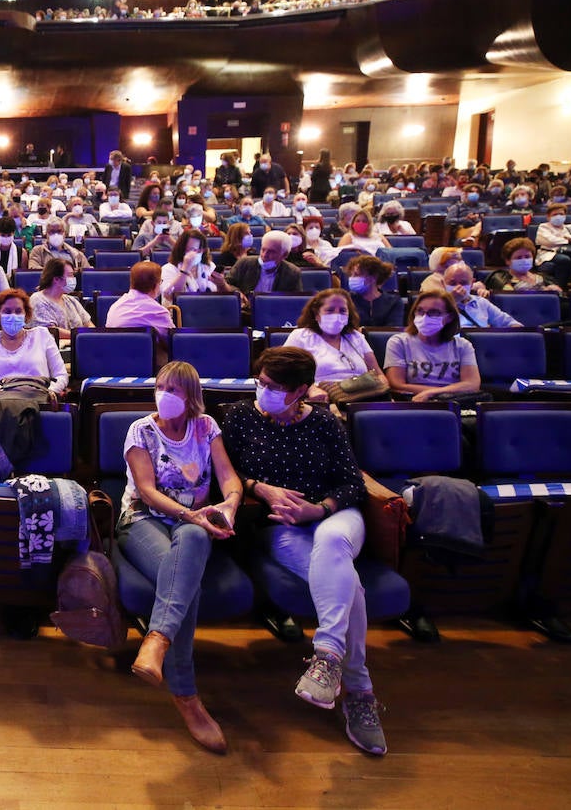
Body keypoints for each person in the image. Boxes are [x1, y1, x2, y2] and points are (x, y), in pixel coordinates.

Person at [220, 347, 385, 755]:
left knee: (332, 543)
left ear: (301, 392)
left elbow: (353, 485)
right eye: (261, 383)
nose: (264, 391)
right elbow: (226, 470)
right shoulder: (241, 417)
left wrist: (320, 508)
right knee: (351, 586)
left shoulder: (326, 424)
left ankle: (326, 656)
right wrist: (260, 487)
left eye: (275, 388)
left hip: (336, 518)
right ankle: (359, 690)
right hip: (282, 527)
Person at [118, 361, 243, 753]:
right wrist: (191, 514)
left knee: (189, 546)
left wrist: (231, 505)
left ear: (190, 396)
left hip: (195, 526)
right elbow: (147, 489)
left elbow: (228, 477)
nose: (164, 395)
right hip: (142, 519)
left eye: (173, 389)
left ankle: (156, 641)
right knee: (183, 583)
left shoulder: (206, 427)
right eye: (160, 387)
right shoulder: (141, 429)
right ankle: (187, 698)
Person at [285, 290, 386, 403]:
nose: (337, 316)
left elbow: (378, 373)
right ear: (316, 314)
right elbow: (286, 373)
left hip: (364, 398)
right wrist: (311, 390)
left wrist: (382, 387)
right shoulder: (300, 336)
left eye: (342, 311)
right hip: (323, 400)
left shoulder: (356, 337)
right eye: (330, 310)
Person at [384, 291, 481, 402]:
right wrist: (445, 392)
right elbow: (396, 384)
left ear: (449, 317)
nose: (425, 317)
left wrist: (432, 393)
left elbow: (472, 384)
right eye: (420, 311)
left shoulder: (463, 346)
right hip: (414, 402)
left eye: (434, 312)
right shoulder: (399, 342)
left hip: (453, 402)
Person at [0, 289, 68, 399]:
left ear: (26, 314)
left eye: (18, 311)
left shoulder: (42, 335)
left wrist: (50, 392)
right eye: (7, 311)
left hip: (39, 401)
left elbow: (61, 375)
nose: (13, 316)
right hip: (0, 404)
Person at [28, 259, 93, 341]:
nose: (73, 279)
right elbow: (50, 331)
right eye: (70, 275)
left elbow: (88, 323)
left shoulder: (71, 300)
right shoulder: (37, 300)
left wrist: (91, 336)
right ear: (56, 279)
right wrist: (81, 337)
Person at [442, 263, 520, 329]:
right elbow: (435, 332)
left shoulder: (482, 303)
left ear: (472, 283)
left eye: (463, 283)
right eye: (452, 283)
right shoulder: (437, 305)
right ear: (443, 284)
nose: (458, 287)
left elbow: (510, 323)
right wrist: (451, 302)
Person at [106, 261, 177, 333]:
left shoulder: (115, 307)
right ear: (155, 285)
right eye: (160, 282)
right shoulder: (159, 312)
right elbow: (173, 340)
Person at [226, 230, 301, 295]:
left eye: (271, 252)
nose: (264, 255)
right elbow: (227, 283)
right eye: (263, 249)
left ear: (284, 255)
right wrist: (236, 292)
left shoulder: (293, 273)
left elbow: (294, 301)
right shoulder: (244, 263)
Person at [161, 230, 225, 302]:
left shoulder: (209, 266)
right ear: (182, 250)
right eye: (192, 250)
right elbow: (170, 296)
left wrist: (222, 284)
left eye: (199, 250)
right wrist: (185, 268)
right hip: (181, 311)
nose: (196, 253)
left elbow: (224, 295)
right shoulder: (168, 269)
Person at [343, 256, 401, 327]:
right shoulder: (346, 300)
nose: (351, 278)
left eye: (356, 275)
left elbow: (392, 329)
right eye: (351, 275)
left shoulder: (394, 302)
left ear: (372, 278)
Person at [485, 239, 559, 293]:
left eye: (527, 257)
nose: (524, 260)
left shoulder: (544, 278)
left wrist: (556, 291)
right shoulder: (499, 278)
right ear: (508, 261)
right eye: (519, 257)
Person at [533, 204, 571, 286]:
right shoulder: (543, 227)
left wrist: (568, 238)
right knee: (564, 260)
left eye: (561, 214)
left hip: (570, 252)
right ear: (548, 217)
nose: (558, 216)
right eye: (555, 214)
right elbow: (550, 241)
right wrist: (569, 240)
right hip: (549, 253)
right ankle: (560, 288)